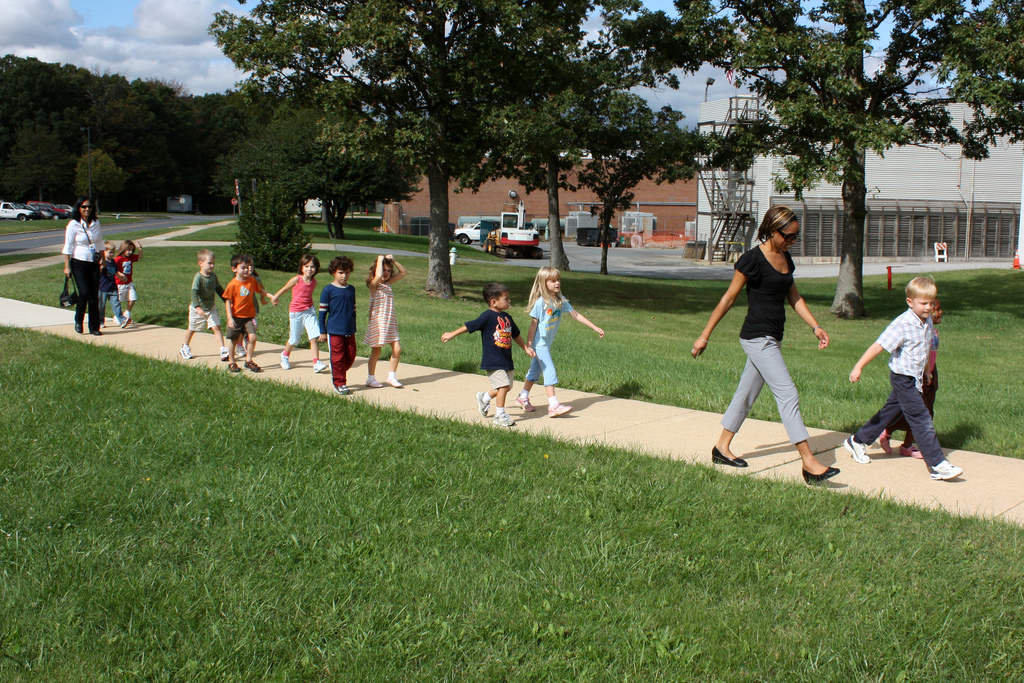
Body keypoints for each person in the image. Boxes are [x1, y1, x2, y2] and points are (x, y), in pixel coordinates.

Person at [691, 205, 839, 484]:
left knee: (746, 394)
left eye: (796, 236)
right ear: (772, 231)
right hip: (757, 337)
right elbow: (728, 299)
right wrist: (704, 335)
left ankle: (721, 448)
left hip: (773, 336)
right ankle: (809, 464)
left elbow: (794, 297)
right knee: (788, 393)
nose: (792, 240)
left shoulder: (785, 257)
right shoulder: (753, 259)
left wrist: (816, 326)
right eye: (789, 235)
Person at [844, 278, 962, 481]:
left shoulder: (927, 320)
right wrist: (858, 366)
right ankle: (937, 465)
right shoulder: (902, 324)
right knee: (921, 419)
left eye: (931, 303)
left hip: (915, 377)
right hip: (902, 378)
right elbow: (879, 345)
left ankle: (858, 440)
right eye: (923, 303)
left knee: (890, 412)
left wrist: (926, 372)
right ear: (910, 302)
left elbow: (924, 349)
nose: (928, 307)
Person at [441, 282, 536, 428]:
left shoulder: (507, 318)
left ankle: (484, 397)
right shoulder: (487, 316)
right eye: (506, 299)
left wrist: (525, 348)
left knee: (507, 386)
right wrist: (451, 334)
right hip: (493, 359)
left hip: (506, 359)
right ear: (494, 302)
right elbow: (469, 326)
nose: (509, 301)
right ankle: (500, 415)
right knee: (503, 386)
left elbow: (515, 335)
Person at [516, 266, 604, 417]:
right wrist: (528, 344)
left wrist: (594, 327)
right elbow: (533, 324)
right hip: (539, 344)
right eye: (552, 281)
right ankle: (553, 404)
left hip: (546, 344)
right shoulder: (540, 303)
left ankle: (523, 397)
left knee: (535, 371)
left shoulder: (559, 301)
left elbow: (575, 315)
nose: (557, 283)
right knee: (549, 369)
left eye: (558, 280)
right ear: (544, 283)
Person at [878, 298, 943, 458]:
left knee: (927, 411)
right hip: (914, 375)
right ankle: (886, 430)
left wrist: (931, 373)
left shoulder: (931, 330)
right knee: (910, 411)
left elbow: (930, 354)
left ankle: (907, 446)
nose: (940, 312)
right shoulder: (915, 329)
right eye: (937, 309)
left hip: (929, 375)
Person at [271, 254, 327, 373]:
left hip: (309, 311)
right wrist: (275, 297)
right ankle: (285, 356)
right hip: (296, 312)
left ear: (316, 269)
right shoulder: (297, 279)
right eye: (306, 266)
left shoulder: (314, 282)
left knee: (314, 337)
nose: (309, 269)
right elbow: (285, 288)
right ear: (302, 268)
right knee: (294, 339)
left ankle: (316, 362)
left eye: (312, 267)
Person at [363, 254, 407, 388]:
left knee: (397, 349)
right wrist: (380, 259)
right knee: (376, 351)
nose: (386, 273)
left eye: (388, 270)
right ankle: (371, 378)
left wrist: (392, 260)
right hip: (378, 323)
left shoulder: (388, 284)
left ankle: (391, 376)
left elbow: (403, 272)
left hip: (391, 322)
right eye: (383, 270)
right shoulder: (374, 286)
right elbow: (377, 277)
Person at [221, 254, 271, 373]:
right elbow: (228, 302)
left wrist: (270, 296)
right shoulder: (232, 285)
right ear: (234, 269)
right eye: (243, 267)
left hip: (249, 317)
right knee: (234, 341)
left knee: (252, 337)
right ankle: (232, 362)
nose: (246, 270)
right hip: (236, 317)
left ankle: (248, 360)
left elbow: (260, 290)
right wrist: (229, 317)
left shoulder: (251, 280)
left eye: (248, 267)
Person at [61, 196, 103, 335]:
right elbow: (68, 247)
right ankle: (79, 320)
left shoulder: (96, 223)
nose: (87, 209)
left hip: (94, 262)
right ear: (78, 208)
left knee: (93, 296)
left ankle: (94, 327)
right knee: (84, 293)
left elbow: (99, 243)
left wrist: (103, 260)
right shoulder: (73, 224)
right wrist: (67, 266)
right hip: (78, 262)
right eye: (84, 207)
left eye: (89, 207)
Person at [318, 256, 358, 395]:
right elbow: (322, 313)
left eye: (347, 272)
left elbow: (353, 310)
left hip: (349, 330)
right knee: (338, 357)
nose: (344, 276)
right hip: (334, 330)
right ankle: (340, 383)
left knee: (351, 355)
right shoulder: (328, 290)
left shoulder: (351, 289)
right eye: (341, 272)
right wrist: (322, 331)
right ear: (333, 272)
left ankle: (337, 370)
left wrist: (354, 326)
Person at [180, 249, 228, 362]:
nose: (212, 265)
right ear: (200, 263)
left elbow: (219, 289)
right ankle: (185, 347)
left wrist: (227, 300)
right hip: (198, 309)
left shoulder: (213, 276)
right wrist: (197, 307)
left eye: (213, 263)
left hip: (211, 307)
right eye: (209, 263)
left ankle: (223, 349)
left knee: (216, 327)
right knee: (192, 328)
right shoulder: (198, 277)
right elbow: (194, 292)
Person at [113, 239, 143, 326]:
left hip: (129, 283)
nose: (130, 252)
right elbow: (114, 270)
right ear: (123, 249)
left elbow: (139, 257)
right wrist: (120, 275)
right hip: (120, 284)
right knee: (119, 301)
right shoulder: (118, 259)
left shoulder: (130, 258)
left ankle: (127, 313)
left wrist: (140, 249)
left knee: (133, 298)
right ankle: (117, 316)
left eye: (131, 250)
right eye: (128, 250)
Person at [98, 241, 124, 328]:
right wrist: (100, 267)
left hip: (113, 287)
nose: (112, 254)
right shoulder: (102, 262)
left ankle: (121, 319)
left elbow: (115, 272)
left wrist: (121, 276)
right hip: (102, 288)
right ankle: (100, 321)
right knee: (101, 306)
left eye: (113, 252)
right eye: (110, 252)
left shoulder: (113, 262)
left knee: (116, 303)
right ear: (104, 252)